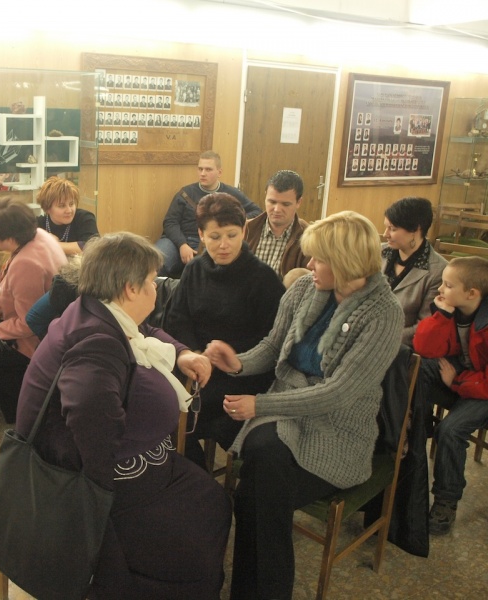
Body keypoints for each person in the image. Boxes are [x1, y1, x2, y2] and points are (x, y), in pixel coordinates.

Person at [16, 232, 231, 599]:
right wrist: (102, 499)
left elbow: (147, 330)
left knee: (210, 500)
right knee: (202, 520)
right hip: (87, 477)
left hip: (113, 461)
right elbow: (89, 421)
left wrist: (181, 353)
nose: (155, 288)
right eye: (151, 281)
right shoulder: (96, 342)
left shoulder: (96, 309)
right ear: (130, 288)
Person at [206, 211, 403, 599]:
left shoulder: (383, 313)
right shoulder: (304, 289)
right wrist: (238, 363)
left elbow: (339, 393)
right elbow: (272, 346)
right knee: (262, 483)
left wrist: (260, 405)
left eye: (318, 259)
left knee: (258, 483)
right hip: (287, 410)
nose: (308, 265)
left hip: (339, 428)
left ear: (345, 263)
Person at [165, 193, 284, 467]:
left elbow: (273, 340)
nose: (224, 245)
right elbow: (177, 319)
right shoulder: (194, 269)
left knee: (178, 413)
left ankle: (196, 480)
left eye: (232, 235)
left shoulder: (263, 278)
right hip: (197, 366)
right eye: (215, 236)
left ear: (244, 231)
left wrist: (229, 358)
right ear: (201, 235)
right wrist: (195, 353)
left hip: (242, 374)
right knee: (154, 403)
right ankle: (194, 474)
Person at [0, 198, 67, 433]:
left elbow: (30, 322)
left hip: (39, 340)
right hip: (45, 326)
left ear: (10, 238)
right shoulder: (39, 236)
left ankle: (20, 416)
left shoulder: (27, 264)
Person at [413, 256, 488, 535]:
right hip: (466, 379)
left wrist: (457, 382)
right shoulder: (454, 310)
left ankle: (446, 501)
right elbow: (424, 348)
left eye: (447, 285)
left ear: (472, 293)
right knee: (418, 366)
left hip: (481, 392)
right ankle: (416, 429)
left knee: (450, 430)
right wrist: (441, 316)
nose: (440, 290)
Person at [154, 151, 261, 278]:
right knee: (155, 262)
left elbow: (256, 212)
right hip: (178, 240)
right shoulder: (185, 193)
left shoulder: (231, 194)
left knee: (209, 271)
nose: (203, 173)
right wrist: (182, 244)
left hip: (212, 240)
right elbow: (170, 222)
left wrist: (233, 221)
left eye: (208, 169)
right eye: (200, 169)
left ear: (219, 172)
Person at [382, 197, 446, 346]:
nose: (385, 234)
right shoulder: (377, 253)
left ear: (415, 230)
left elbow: (424, 326)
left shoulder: (438, 271)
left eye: (393, 229)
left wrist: (382, 339)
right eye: (386, 227)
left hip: (399, 345)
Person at [244, 170, 310, 278]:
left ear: (298, 202)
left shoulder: (309, 238)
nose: (277, 209)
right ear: (265, 196)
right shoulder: (245, 229)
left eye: (285, 204)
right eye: (272, 202)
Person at [36, 176, 99, 256]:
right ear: (47, 208)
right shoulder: (37, 224)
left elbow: (91, 246)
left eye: (71, 204)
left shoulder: (85, 218)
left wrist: (51, 243)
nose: (69, 210)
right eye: (62, 206)